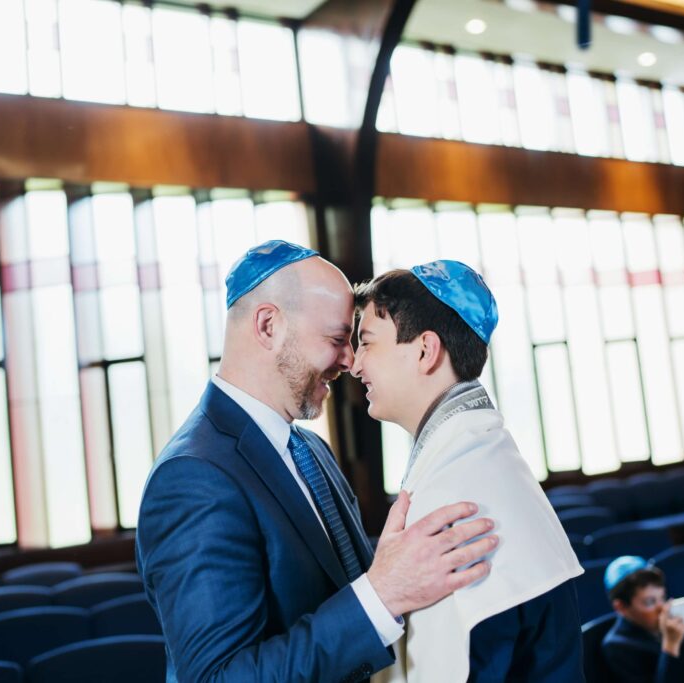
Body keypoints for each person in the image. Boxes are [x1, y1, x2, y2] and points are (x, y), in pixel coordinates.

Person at [136, 241, 499, 682]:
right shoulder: (192, 477)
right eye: (336, 339)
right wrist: (380, 593)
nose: (350, 361)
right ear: (268, 325)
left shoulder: (310, 451)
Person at [351, 261, 584, 683]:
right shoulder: (483, 457)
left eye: (367, 343)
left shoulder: (453, 494)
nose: (354, 365)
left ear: (425, 350)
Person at [602, 556, 684, 683]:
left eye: (662, 598)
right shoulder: (617, 647)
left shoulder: (683, 627)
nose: (663, 609)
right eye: (649, 602)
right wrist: (670, 647)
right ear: (620, 607)